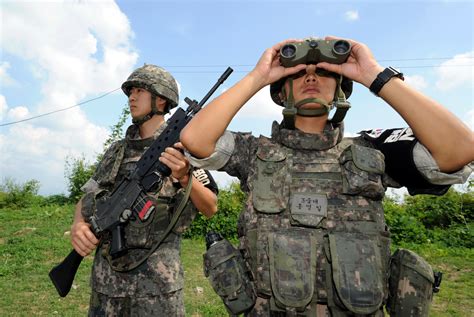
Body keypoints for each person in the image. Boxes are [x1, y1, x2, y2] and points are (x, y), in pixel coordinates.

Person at [181, 37, 473, 316]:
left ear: (340, 90)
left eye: (323, 71)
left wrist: (374, 75)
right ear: (282, 93)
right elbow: (195, 139)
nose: (311, 78)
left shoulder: (372, 151)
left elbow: (459, 149)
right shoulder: (254, 151)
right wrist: (258, 76)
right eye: (298, 73)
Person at [70, 64, 218, 316]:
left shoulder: (183, 149)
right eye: (130, 92)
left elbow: (210, 207)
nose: (132, 97)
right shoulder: (116, 151)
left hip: (157, 292)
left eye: (139, 90)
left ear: (161, 100)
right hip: (107, 289)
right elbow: (87, 198)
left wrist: (185, 178)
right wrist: (78, 225)